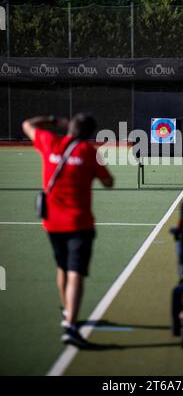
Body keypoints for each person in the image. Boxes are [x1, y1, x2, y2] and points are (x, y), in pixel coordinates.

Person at [22, 113, 114, 348]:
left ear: (69, 127)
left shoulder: (50, 142)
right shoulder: (88, 152)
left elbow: (28, 125)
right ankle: (71, 327)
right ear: (90, 133)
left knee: (62, 268)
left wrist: (53, 120)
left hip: (52, 223)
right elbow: (108, 182)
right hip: (79, 223)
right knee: (76, 273)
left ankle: (67, 315)